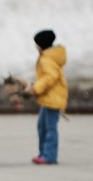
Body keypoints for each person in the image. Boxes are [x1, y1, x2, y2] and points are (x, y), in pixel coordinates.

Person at [26, 29, 68, 165]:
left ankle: (49, 156)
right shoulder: (48, 56)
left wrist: (36, 88)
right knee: (42, 126)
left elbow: (50, 77)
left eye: (37, 44)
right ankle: (44, 153)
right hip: (49, 99)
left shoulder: (46, 59)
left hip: (52, 99)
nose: (35, 47)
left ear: (42, 45)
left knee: (50, 128)